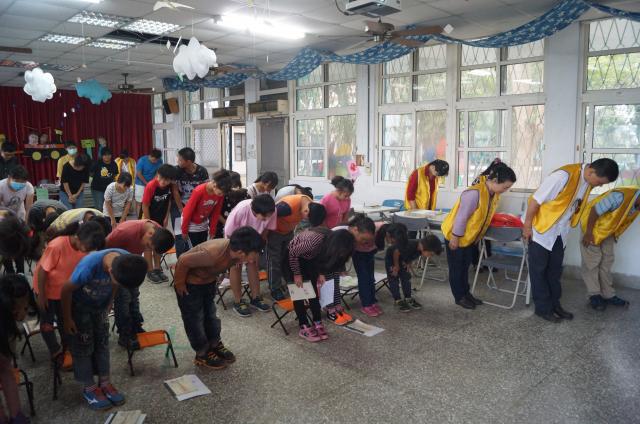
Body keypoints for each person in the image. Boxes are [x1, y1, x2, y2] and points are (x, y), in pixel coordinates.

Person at [522, 158, 619, 323]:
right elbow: (535, 201)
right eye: (600, 182)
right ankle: (543, 309)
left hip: (559, 233)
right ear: (591, 172)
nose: (599, 186)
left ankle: (555, 305)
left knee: (555, 271)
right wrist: (527, 226)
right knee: (539, 271)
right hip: (540, 230)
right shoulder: (562, 176)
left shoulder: (587, 182)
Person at [61, 250, 147, 410]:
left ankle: (105, 382)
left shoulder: (126, 261)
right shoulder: (89, 266)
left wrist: (110, 302)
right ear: (110, 271)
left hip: (100, 307)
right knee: (83, 348)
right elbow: (66, 290)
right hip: (79, 309)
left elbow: (115, 284)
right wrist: (67, 319)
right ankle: (89, 388)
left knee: (102, 343)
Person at [173, 226, 264, 369]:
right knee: (195, 320)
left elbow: (223, 266)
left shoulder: (235, 254)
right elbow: (183, 260)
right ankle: (202, 353)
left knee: (211, 316)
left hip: (208, 282)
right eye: (255, 254)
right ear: (241, 252)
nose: (256, 257)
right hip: (190, 286)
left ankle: (214, 344)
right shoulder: (213, 254)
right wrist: (179, 283)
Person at [442, 162, 517, 310]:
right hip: (455, 235)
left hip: (469, 237)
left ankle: (466, 293)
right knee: (457, 268)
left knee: (465, 267)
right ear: (494, 180)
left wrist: (477, 237)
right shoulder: (474, 193)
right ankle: (459, 297)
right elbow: (461, 217)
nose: (505, 190)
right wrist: (455, 237)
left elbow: (483, 217)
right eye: (505, 187)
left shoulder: (493, 194)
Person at [34, 221, 105, 370]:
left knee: (65, 320)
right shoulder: (57, 245)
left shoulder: (84, 248)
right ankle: (55, 352)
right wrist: (41, 295)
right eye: (86, 247)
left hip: (65, 293)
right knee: (47, 323)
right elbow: (42, 271)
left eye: (90, 249)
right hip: (46, 291)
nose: (86, 251)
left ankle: (66, 349)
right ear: (78, 237)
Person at [106, 220, 175, 345]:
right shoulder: (124, 231)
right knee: (123, 299)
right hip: (119, 268)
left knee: (134, 296)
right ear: (149, 234)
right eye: (148, 246)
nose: (146, 249)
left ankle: (136, 326)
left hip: (133, 264)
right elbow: (104, 248)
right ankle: (125, 334)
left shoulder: (159, 232)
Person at [287, 226, 355, 342]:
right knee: (299, 294)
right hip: (292, 259)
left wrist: (320, 273)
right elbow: (292, 253)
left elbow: (320, 258)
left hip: (309, 259)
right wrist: (297, 274)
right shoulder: (315, 241)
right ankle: (303, 325)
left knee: (313, 293)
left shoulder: (330, 245)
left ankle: (317, 321)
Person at [580, 186, 639, 311]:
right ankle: (594, 295)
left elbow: (621, 219)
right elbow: (594, 210)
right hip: (591, 227)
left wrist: (615, 234)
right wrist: (588, 232)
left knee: (607, 261)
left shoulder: (637, 205)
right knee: (592, 262)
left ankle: (608, 295)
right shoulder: (620, 196)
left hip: (607, 231)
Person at [224, 194, 276, 317]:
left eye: (269, 216)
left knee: (253, 264)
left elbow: (267, 229)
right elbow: (229, 232)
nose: (267, 219)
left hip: (254, 240)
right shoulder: (242, 210)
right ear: (255, 211)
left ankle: (256, 298)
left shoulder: (271, 210)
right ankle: (238, 301)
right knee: (235, 266)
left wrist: (258, 247)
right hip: (236, 239)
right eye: (264, 217)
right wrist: (235, 254)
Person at [268, 194, 319, 300]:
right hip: (274, 233)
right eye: (307, 218)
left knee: (287, 259)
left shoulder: (310, 204)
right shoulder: (286, 207)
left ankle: (288, 282)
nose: (305, 220)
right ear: (306, 211)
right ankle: (275, 288)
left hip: (288, 231)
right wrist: (265, 235)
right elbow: (268, 216)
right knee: (274, 261)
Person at [383, 223, 443, 312]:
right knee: (394, 279)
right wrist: (396, 266)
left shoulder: (420, 249)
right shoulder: (410, 245)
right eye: (430, 254)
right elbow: (396, 252)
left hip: (402, 260)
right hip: (392, 258)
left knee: (406, 278)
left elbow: (411, 256)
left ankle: (408, 297)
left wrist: (408, 263)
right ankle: (398, 300)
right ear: (424, 247)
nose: (430, 256)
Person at [333, 214, 384, 317]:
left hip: (368, 253)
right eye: (363, 239)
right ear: (355, 230)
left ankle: (371, 301)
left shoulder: (367, 229)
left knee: (370, 277)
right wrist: (341, 267)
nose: (365, 242)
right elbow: (336, 252)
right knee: (364, 278)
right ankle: (366, 304)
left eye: (368, 240)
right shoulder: (340, 232)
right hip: (357, 254)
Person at [0, 274, 34, 424]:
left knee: (6, 370)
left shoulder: (8, 324)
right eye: (24, 308)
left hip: (4, 337)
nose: (25, 313)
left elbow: (6, 367)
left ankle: (16, 415)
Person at [171, 148, 209, 257]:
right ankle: (181, 260)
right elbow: (175, 191)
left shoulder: (202, 171)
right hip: (179, 204)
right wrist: (181, 209)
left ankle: (196, 258)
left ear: (188, 162)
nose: (178, 161)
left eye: (180, 160)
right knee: (180, 234)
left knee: (195, 232)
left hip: (196, 206)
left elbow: (205, 190)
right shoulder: (176, 170)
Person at [180, 169, 232, 249]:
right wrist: (184, 230)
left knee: (203, 248)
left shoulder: (220, 194)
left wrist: (212, 230)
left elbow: (216, 212)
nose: (221, 195)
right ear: (214, 185)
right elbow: (188, 211)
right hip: (190, 223)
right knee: (193, 249)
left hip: (203, 222)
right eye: (220, 193)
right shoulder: (199, 191)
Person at [215, 171, 249, 239]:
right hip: (226, 226)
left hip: (233, 227)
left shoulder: (245, 194)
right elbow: (216, 212)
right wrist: (228, 224)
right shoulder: (222, 194)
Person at [90, 147, 118, 213]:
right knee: (99, 207)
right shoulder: (97, 163)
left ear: (111, 155)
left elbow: (115, 174)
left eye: (108, 154)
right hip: (97, 189)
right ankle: (99, 218)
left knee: (109, 206)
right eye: (105, 155)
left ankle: (107, 218)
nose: (107, 156)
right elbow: (91, 173)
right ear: (102, 156)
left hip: (109, 189)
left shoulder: (114, 164)